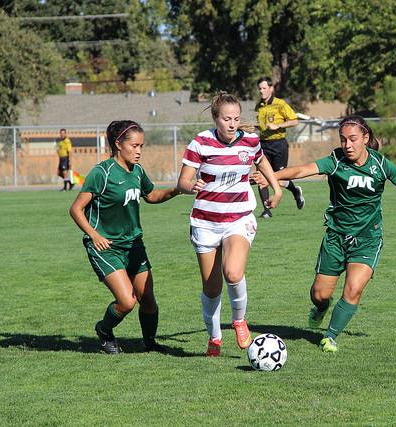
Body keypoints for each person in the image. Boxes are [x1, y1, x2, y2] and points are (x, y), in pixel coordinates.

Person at [253, 115, 396, 353]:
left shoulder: (381, 164)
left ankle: (330, 337)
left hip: (367, 239)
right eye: (343, 140)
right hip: (336, 237)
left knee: (353, 289)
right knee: (319, 295)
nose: (347, 145)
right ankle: (321, 308)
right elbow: (303, 169)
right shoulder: (335, 160)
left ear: (365, 138)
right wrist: (273, 177)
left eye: (353, 139)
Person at [177, 92, 283, 357]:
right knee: (211, 288)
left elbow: (261, 160)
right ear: (216, 118)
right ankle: (214, 338)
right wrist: (192, 185)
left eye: (236, 118)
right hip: (205, 222)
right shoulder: (200, 143)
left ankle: (239, 320)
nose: (233, 124)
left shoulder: (250, 141)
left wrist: (276, 187)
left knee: (233, 273)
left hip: (238, 217)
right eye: (227, 119)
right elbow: (182, 181)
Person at [69, 120, 181, 354]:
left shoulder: (137, 171)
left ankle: (150, 344)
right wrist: (93, 234)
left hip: (133, 245)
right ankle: (104, 331)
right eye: (135, 145)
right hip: (105, 246)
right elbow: (76, 209)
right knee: (127, 302)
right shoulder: (102, 173)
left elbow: (151, 195)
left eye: (142, 146)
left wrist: (176, 189)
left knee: (148, 300)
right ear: (118, 144)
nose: (139, 151)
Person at [255, 76, 304, 218]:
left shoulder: (280, 104)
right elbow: (262, 126)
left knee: (279, 179)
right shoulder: (259, 106)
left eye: (264, 88)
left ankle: (296, 192)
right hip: (263, 144)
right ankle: (266, 210)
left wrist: (278, 125)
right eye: (260, 88)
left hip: (279, 144)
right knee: (261, 176)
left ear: (271, 88)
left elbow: (294, 121)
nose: (261, 91)